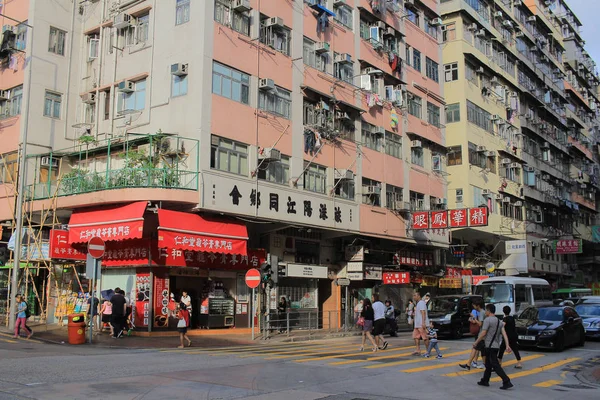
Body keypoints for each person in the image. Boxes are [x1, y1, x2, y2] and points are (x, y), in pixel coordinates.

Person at [473, 304, 514, 390]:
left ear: (488, 311)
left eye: (486, 310)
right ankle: (485, 380)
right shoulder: (500, 321)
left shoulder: (487, 320)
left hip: (489, 346)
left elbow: (483, 333)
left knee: (495, 365)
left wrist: (476, 342)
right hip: (496, 346)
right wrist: (507, 345)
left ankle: (506, 381)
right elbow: (504, 334)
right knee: (488, 364)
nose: (485, 312)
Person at [459, 299, 485, 370]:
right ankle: (471, 364)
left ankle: (469, 364)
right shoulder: (481, 312)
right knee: (481, 350)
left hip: (482, 335)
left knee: (476, 348)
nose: (473, 307)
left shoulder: (482, 312)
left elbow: (480, 324)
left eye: (474, 305)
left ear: (478, 305)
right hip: (481, 334)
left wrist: (474, 317)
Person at [412, 291, 429, 355]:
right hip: (417, 324)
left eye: (415, 295)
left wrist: (423, 322)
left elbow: (423, 313)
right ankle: (418, 350)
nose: (414, 297)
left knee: (425, 337)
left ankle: (428, 350)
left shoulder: (421, 303)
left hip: (421, 324)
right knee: (416, 337)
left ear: (419, 296)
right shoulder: (418, 303)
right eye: (413, 296)